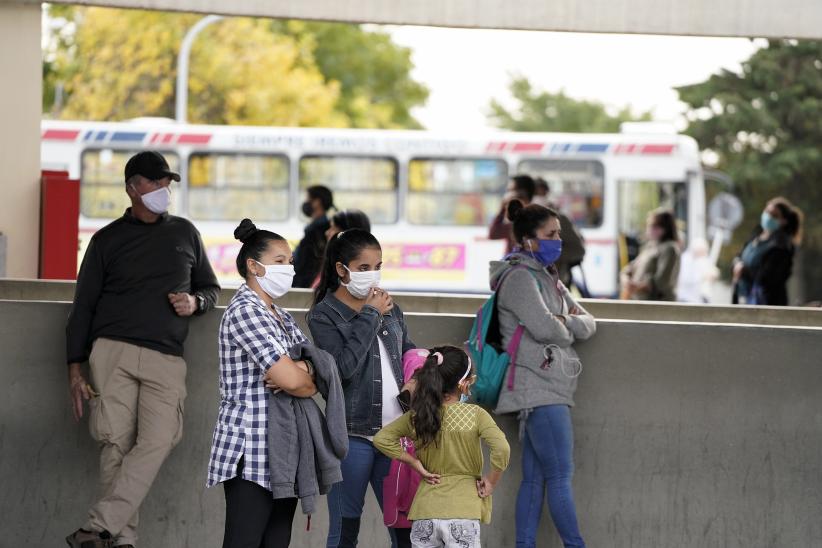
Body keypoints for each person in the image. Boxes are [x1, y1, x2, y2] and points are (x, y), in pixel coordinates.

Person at [65, 151, 220, 548]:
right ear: (133, 186)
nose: (164, 189)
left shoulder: (185, 233)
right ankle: (122, 540)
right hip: (110, 351)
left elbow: (210, 289)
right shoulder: (106, 240)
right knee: (115, 444)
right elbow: (83, 305)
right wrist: (75, 365)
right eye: (155, 182)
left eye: (167, 182)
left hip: (165, 356)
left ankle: (99, 525)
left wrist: (195, 303)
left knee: (160, 437)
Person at [206, 219, 319, 548]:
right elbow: (297, 383)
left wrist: (302, 368)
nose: (290, 268)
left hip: (285, 449)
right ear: (254, 266)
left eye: (290, 261)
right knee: (245, 540)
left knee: (276, 540)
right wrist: (299, 373)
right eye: (280, 261)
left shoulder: (281, 316)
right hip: (250, 449)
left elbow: (314, 374)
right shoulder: (245, 311)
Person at [491, 200, 597, 548]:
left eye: (558, 234)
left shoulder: (548, 276)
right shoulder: (520, 277)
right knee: (560, 477)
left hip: (545, 388)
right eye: (550, 234)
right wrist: (566, 326)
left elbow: (588, 321)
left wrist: (563, 322)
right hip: (538, 390)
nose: (558, 240)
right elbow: (547, 330)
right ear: (527, 240)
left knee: (536, 481)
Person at [307, 229, 416, 548]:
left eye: (378, 265)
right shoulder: (324, 315)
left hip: (397, 435)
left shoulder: (389, 305)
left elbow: (406, 349)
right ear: (342, 270)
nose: (373, 275)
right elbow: (340, 371)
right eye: (364, 267)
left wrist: (418, 372)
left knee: (405, 532)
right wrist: (370, 314)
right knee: (345, 532)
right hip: (352, 437)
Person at [374, 346, 510, 548]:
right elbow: (502, 448)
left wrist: (414, 463)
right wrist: (491, 481)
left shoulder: (418, 417)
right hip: (462, 512)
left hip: (425, 512)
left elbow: (381, 439)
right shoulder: (476, 415)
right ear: (463, 385)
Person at [732, 197, 803, 306]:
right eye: (767, 212)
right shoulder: (756, 235)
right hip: (743, 298)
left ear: (784, 221)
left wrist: (743, 271)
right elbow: (739, 256)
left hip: (766, 303)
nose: (768, 217)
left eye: (774, 215)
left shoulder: (782, 246)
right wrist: (737, 264)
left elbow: (768, 278)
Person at [620, 208, 681, 301]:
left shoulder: (670, 248)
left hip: (658, 305)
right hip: (640, 302)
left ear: (665, 228)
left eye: (654, 226)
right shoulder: (650, 246)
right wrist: (626, 280)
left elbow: (661, 281)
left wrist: (637, 287)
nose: (649, 229)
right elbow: (630, 268)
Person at [293, 185, 335, 288]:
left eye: (308, 199)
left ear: (317, 202)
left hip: (305, 286)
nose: (305, 203)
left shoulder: (318, 232)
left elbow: (303, 264)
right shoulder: (319, 228)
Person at [488, 174, 536, 254]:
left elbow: (493, 233)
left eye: (510, 190)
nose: (507, 195)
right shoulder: (517, 216)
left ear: (522, 193)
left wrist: (503, 206)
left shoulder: (527, 219)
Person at [677, 238, 719, 303]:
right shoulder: (685, 260)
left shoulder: (701, 259)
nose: (703, 254)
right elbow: (685, 279)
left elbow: (711, 270)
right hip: (686, 299)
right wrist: (703, 276)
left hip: (700, 298)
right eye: (702, 252)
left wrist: (714, 273)